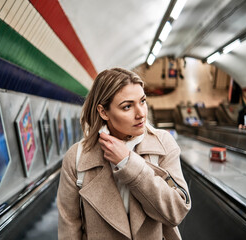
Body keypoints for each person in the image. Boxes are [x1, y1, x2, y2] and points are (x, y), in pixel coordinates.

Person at [57, 68, 191, 239]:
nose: (141, 113)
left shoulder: (163, 144)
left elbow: (177, 211)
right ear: (103, 112)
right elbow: (69, 227)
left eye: (142, 101)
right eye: (127, 106)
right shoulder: (77, 158)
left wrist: (129, 164)